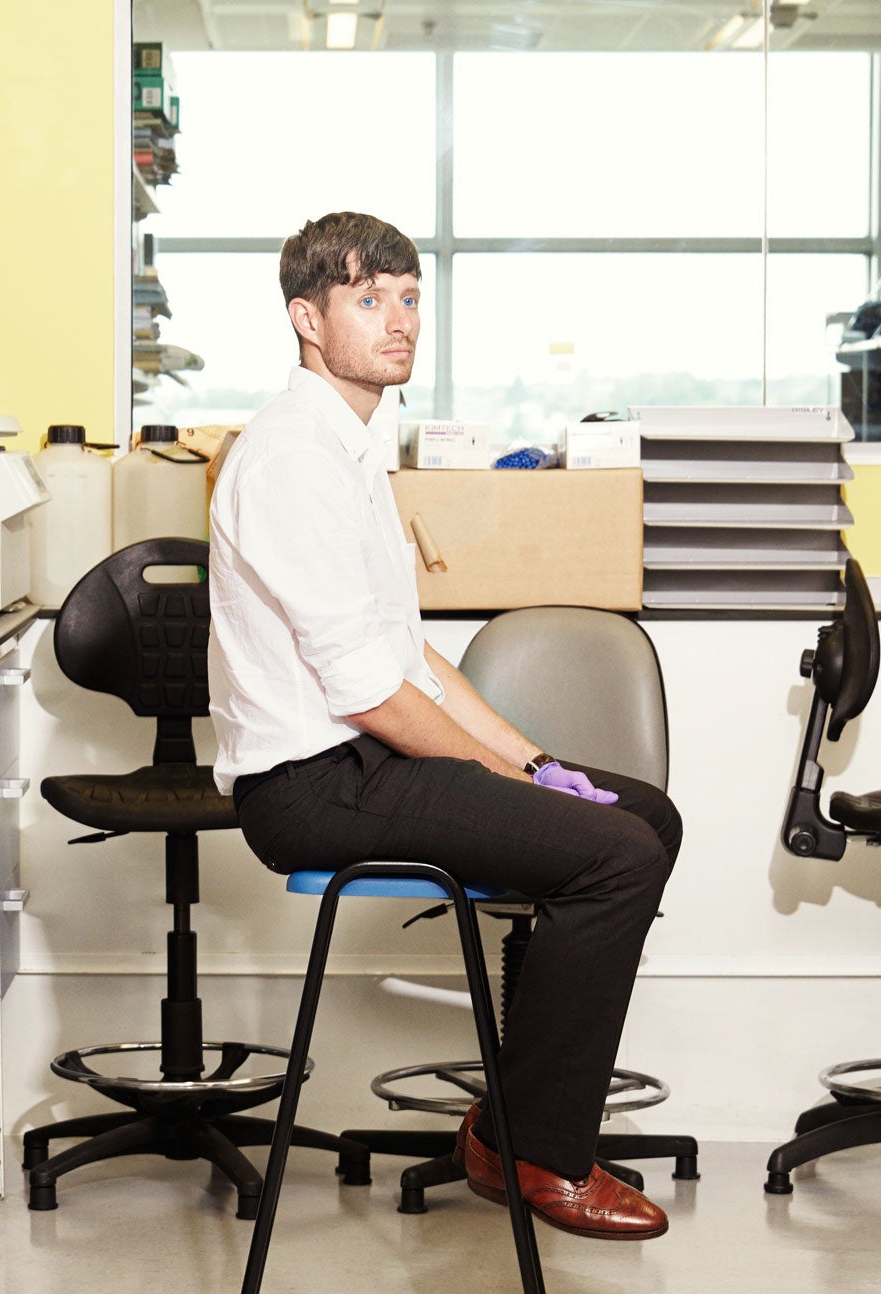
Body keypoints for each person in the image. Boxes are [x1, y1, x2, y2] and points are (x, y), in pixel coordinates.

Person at [206, 211, 683, 1241]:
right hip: (311, 784)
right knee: (615, 858)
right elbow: (368, 695)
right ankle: (538, 1153)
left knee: (644, 815)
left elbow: (408, 654)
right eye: (367, 298)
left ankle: (512, 1119)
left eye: (410, 296)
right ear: (304, 317)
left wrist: (537, 760)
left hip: (364, 752)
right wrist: (507, 784)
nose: (398, 319)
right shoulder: (291, 459)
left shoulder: (348, 447)